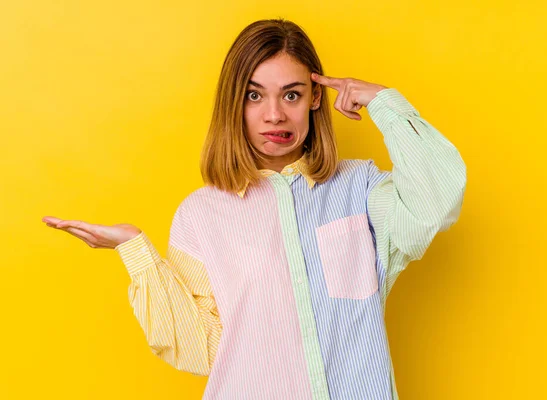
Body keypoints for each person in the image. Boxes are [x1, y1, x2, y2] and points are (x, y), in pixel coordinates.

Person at [42, 18, 466, 400]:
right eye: (254, 95)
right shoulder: (201, 215)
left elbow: (438, 202)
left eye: (292, 94)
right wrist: (136, 250)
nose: (275, 115)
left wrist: (386, 105)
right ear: (235, 103)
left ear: (315, 99)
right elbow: (203, 348)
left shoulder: (360, 188)